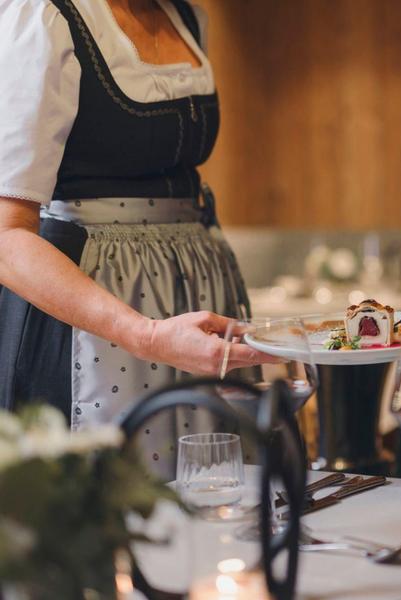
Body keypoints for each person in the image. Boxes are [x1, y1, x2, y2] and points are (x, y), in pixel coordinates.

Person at [0, 0, 270, 466]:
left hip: (193, 292)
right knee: (117, 509)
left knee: (220, 498)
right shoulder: (46, 18)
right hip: (96, 315)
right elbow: (7, 239)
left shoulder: (185, 18)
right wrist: (143, 334)